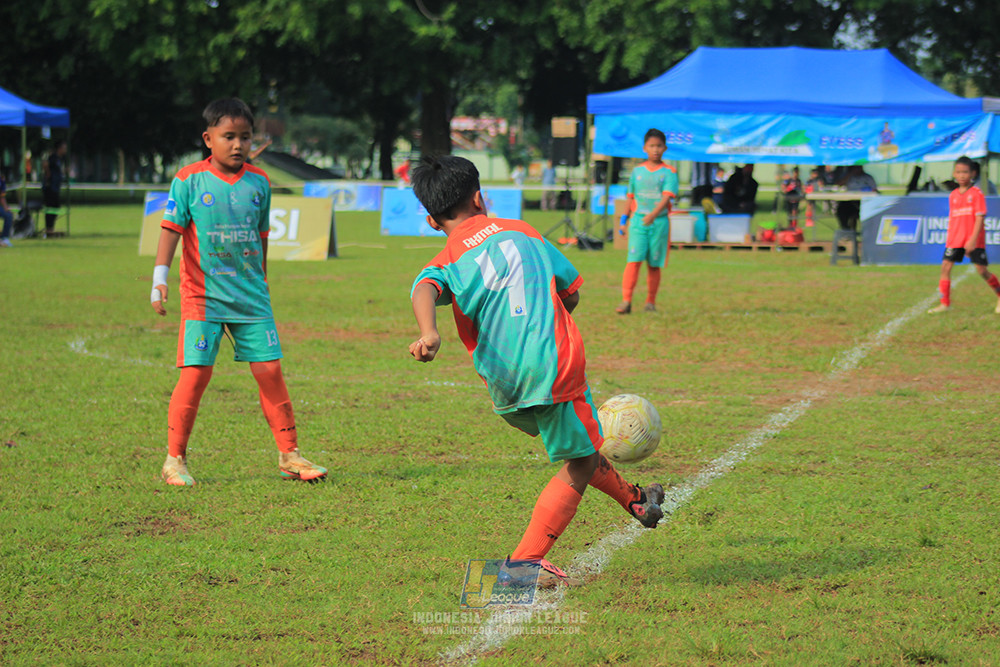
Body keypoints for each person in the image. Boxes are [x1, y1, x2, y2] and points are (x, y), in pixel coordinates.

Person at [407, 155, 665, 587]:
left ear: (434, 221)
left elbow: (423, 286)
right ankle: (523, 564)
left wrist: (429, 332)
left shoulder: (447, 258)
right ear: (480, 198)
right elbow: (572, 293)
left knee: (579, 449)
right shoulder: (524, 231)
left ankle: (638, 501)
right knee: (579, 463)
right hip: (552, 363)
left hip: (504, 381)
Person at [150, 98, 327, 486]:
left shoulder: (260, 182)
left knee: (270, 371)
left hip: (251, 298)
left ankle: (290, 456)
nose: (237, 145)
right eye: (228, 136)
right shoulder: (188, 180)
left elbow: (261, 236)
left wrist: (261, 279)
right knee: (195, 376)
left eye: (245, 137)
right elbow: (170, 230)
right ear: (208, 139)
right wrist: (159, 278)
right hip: (203, 297)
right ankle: (174, 461)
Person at [615, 128, 678, 315]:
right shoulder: (637, 172)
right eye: (652, 146)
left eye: (659, 146)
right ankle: (626, 301)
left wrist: (652, 215)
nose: (655, 149)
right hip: (638, 223)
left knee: (654, 264)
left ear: (665, 148)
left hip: (658, 223)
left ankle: (650, 301)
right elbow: (630, 197)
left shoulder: (669, 172)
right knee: (633, 260)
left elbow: (667, 198)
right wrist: (623, 220)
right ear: (644, 148)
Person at [927, 156, 1000, 315]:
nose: (961, 175)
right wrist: (950, 238)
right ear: (954, 173)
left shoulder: (976, 193)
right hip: (955, 239)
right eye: (958, 172)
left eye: (965, 172)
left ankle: (999, 294)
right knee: (945, 267)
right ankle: (944, 303)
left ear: (972, 173)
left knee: (982, 271)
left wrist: (972, 240)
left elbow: (980, 217)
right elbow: (954, 219)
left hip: (973, 240)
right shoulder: (953, 195)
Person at [835, 165, 878, 231]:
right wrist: (850, 174)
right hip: (850, 201)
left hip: (864, 202)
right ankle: (846, 230)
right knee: (841, 210)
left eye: (859, 167)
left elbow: (875, 190)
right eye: (855, 168)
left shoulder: (868, 178)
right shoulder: (849, 177)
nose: (857, 169)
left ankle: (868, 231)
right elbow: (839, 184)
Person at [41, 140, 67, 237]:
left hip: (55, 187)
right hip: (50, 187)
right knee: (51, 207)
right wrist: (48, 174)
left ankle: (50, 228)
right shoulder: (53, 157)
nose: (66, 150)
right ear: (59, 148)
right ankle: (49, 229)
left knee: (55, 207)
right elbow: (45, 164)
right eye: (64, 148)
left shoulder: (60, 159)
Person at [0, 168, 13, 247]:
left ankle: (5, 238)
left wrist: (6, 207)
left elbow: (2, 196)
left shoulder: (1, 179)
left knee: (8, 215)